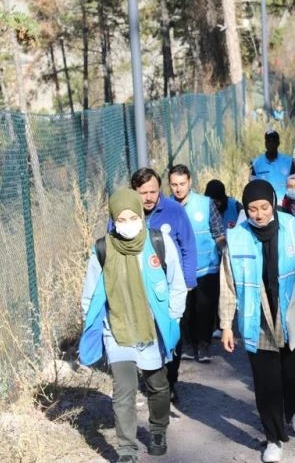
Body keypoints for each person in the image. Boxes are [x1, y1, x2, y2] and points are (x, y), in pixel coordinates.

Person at [219, 180, 295, 463]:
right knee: (267, 386)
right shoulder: (237, 237)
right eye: (252, 209)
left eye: (264, 207)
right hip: (259, 319)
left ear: (273, 204)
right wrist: (226, 324)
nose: (259, 214)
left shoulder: (293, 228)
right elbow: (228, 284)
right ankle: (274, 438)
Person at [80, 189, 187, 462]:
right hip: (118, 329)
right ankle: (126, 449)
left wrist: (173, 318)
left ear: (141, 215)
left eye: (132, 217)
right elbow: (90, 296)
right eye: (121, 219)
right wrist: (98, 329)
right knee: (124, 391)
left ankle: (158, 430)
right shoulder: (102, 249)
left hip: (153, 329)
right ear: (113, 220)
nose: (127, 223)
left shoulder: (158, 242)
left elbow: (177, 283)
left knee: (158, 385)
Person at [125, 168, 198, 403]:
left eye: (153, 191)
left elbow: (187, 246)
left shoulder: (173, 211)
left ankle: (170, 381)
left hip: (168, 286)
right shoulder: (124, 215)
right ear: (134, 192)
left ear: (160, 190)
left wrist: (187, 281)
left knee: (171, 334)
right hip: (137, 288)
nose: (148, 197)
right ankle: (152, 379)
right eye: (142, 192)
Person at [169, 164, 225, 363]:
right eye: (174, 184)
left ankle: (204, 345)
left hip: (206, 267)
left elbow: (218, 232)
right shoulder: (167, 207)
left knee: (204, 308)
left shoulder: (205, 203)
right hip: (180, 270)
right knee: (184, 310)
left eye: (182, 184)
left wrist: (224, 252)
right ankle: (187, 344)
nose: (178, 189)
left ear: (190, 182)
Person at [251, 130, 295, 204]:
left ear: (278, 143)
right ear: (265, 143)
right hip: (264, 205)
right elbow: (253, 186)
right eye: (268, 141)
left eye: (273, 141)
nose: (271, 144)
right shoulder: (256, 163)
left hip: (285, 205)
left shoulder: (289, 162)